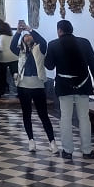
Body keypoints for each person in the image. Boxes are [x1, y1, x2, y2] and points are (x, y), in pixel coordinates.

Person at [44, 19, 94, 160]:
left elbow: (50, 66)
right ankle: (87, 150)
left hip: (64, 86)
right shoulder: (84, 42)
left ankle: (67, 151)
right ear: (72, 30)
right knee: (84, 118)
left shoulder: (53, 44)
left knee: (65, 118)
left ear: (59, 31)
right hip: (83, 84)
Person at [10, 22, 57, 154]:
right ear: (22, 39)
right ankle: (31, 140)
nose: (27, 37)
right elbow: (12, 46)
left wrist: (30, 29)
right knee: (27, 114)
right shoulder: (20, 51)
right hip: (23, 85)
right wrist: (19, 31)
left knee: (43, 115)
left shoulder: (40, 48)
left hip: (37, 85)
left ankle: (52, 142)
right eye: (25, 36)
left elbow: (43, 40)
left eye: (29, 36)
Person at [0, 20, 18, 97]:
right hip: (14, 58)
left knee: (1, 76)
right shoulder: (12, 36)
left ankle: (1, 91)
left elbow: (1, 48)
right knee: (15, 75)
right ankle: (20, 91)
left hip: (4, 59)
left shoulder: (2, 37)